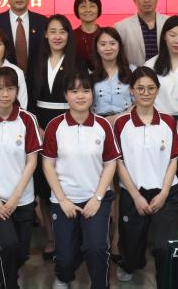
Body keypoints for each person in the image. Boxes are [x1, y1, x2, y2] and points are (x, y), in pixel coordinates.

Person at [42, 70, 120, 289]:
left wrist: (97, 198)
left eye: (86, 90)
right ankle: (64, 276)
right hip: (64, 200)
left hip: (96, 198)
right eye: (74, 91)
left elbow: (110, 164)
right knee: (65, 257)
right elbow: (47, 165)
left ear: (92, 94)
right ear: (65, 95)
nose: (80, 96)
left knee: (96, 248)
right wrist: (62, 200)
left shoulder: (102, 125)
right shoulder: (55, 126)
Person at [113, 67, 178, 287]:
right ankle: (129, 264)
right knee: (131, 250)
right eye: (140, 88)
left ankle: (165, 279)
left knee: (164, 247)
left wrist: (163, 194)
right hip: (133, 193)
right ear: (131, 90)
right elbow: (119, 163)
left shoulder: (168, 122)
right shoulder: (122, 123)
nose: (145, 93)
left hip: (166, 192)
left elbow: (174, 160)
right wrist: (135, 196)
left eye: (151, 88)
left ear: (157, 90)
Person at [0, 66, 41, 289]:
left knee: (22, 252)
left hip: (22, 197)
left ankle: (4, 277)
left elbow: (32, 161)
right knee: (9, 245)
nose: (5, 94)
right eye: (0, 88)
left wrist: (15, 198)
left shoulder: (27, 119)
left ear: (17, 91)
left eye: (10, 88)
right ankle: (10, 284)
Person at [27, 14, 87, 261]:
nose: (57, 36)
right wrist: (36, 126)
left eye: (62, 31)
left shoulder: (77, 62)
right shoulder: (36, 61)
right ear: (45, 34)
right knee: (44, 185)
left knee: (71, 178)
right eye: (52, 31)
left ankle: (77, 237)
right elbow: (29, 97)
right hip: (41, 124)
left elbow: (81, 96)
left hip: (69, 122)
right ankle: (51, 238)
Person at [144, 16, 178, 117]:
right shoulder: (150, 65)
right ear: (164, 36)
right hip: (158, 120)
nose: (177, 40)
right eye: (172, 35)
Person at [114, 0, 168, 67]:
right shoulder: (121, 27)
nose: (146, 0)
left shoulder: (169, 22)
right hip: (135, 74)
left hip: (165, 73)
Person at [90, 27, 134, 121]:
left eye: (112, 43)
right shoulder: (89, 74)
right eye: (103, 44)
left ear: (119, 46)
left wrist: (116, 118)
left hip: (127, 121)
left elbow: (139, 102)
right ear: (97, 48)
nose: (108, 48)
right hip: (98, 123)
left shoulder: (132, 71)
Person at [72, 0, 103, 66]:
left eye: (92, 6)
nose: (88, 10)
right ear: (77, 10)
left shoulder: (106, 35)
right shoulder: (71, 36)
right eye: (83, 6)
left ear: (98, 9)